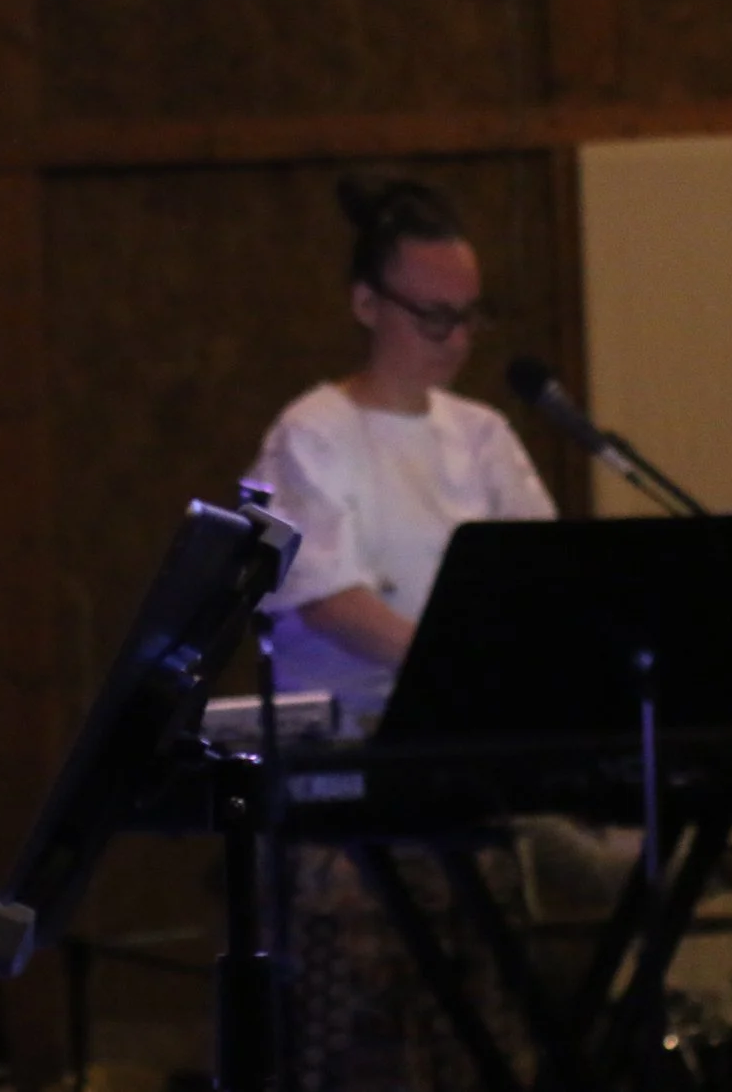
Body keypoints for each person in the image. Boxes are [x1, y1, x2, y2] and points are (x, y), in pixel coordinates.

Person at [248, 175, 554, 1090]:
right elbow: (328, 598)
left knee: (487, 1036)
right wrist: (454, 670)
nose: (457, 340)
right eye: (433, 317)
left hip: (464, 766)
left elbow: (536, 581)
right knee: (368, 1048)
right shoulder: (314, 434)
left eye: (470, 316)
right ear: (366, 304)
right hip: (348, 784)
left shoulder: (485, 436)